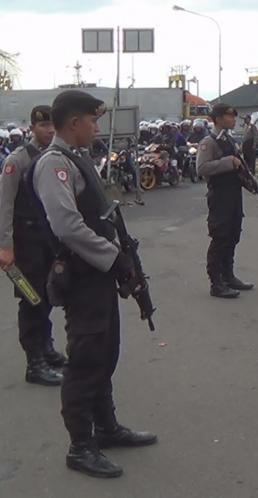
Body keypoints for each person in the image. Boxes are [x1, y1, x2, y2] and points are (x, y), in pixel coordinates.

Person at [27, 90, 157, 478]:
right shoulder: (54, 165)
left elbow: (99, 214)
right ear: (74, 123)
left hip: (98, 274)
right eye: (92, 120)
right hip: (82, 276)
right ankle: (80, 445)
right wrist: (112, 256)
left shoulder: (76, 158)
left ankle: (107, 427)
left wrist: (122, 257)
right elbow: (66, 225)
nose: (97, 127)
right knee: (85, 360)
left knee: (105, 352)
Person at [0, 105, 66, 386]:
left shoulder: (55, 157)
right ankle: (34, 363)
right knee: (31, 299)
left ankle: (46, 347)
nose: (49, 131)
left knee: (47, 296)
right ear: (32, 128)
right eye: (43, 126)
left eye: (52, 126)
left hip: (48, 241)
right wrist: (5, 245)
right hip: (25, 245)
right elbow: (4, 205)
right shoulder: (19, 160)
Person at [196, 103, 255, 299]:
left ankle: (228, 276)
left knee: (233, 236)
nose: (233, 119)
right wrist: (227, 162)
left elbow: (240, 165)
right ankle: (216, 283)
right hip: (219, 196)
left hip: (233, 195)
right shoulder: (209, 142)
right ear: (218, 118)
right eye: (230, 116)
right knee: (220, 238)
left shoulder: (229, 140)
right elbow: (202, 168)